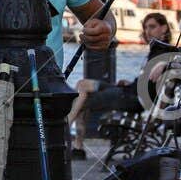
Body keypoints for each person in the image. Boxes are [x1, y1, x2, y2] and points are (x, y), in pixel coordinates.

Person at [70, 10, 172, 150]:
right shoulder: (156, 50)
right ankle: (74, 139)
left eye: (152, 27)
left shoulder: (165, 51)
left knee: (82, 98)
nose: (148, 31)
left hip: (133, 99)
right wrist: (131, 83)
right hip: (128, 91)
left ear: (164, 28)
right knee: (83, 85)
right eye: (146, 27)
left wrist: (164, 64)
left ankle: (70, 135)